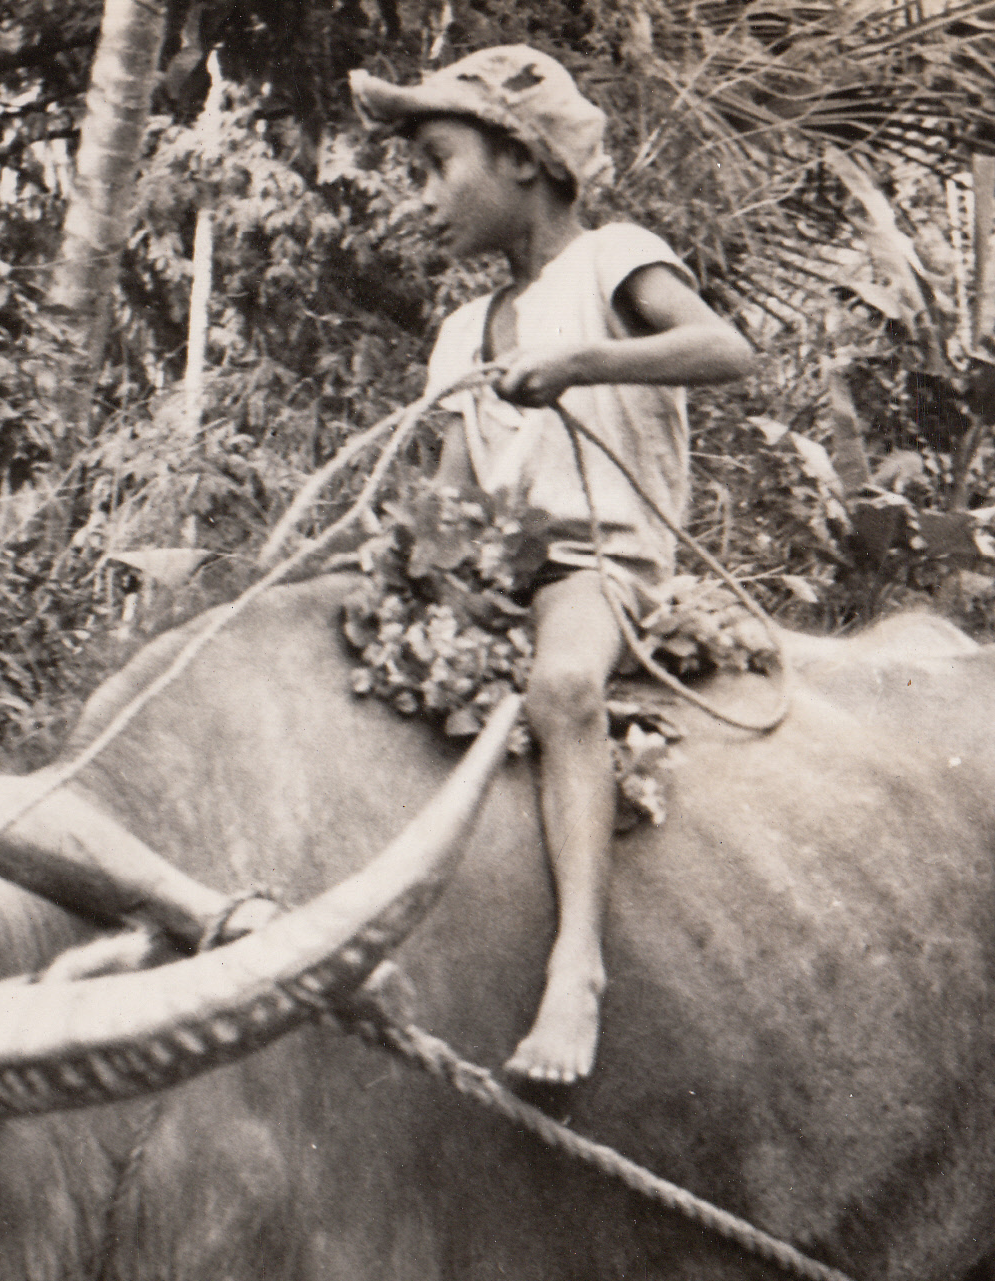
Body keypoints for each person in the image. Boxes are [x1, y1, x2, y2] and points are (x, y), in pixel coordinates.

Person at [341, 45, 754, 1085]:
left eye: (438, 163)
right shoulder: (459, 336)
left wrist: (581, 362)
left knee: (563, 685)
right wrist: (402, 556)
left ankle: (577, 967)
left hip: (598, 562)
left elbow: (723, 351)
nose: (425, 197)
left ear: (522, 157)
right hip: (502, 578)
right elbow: (448, 499)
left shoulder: (613, 261)